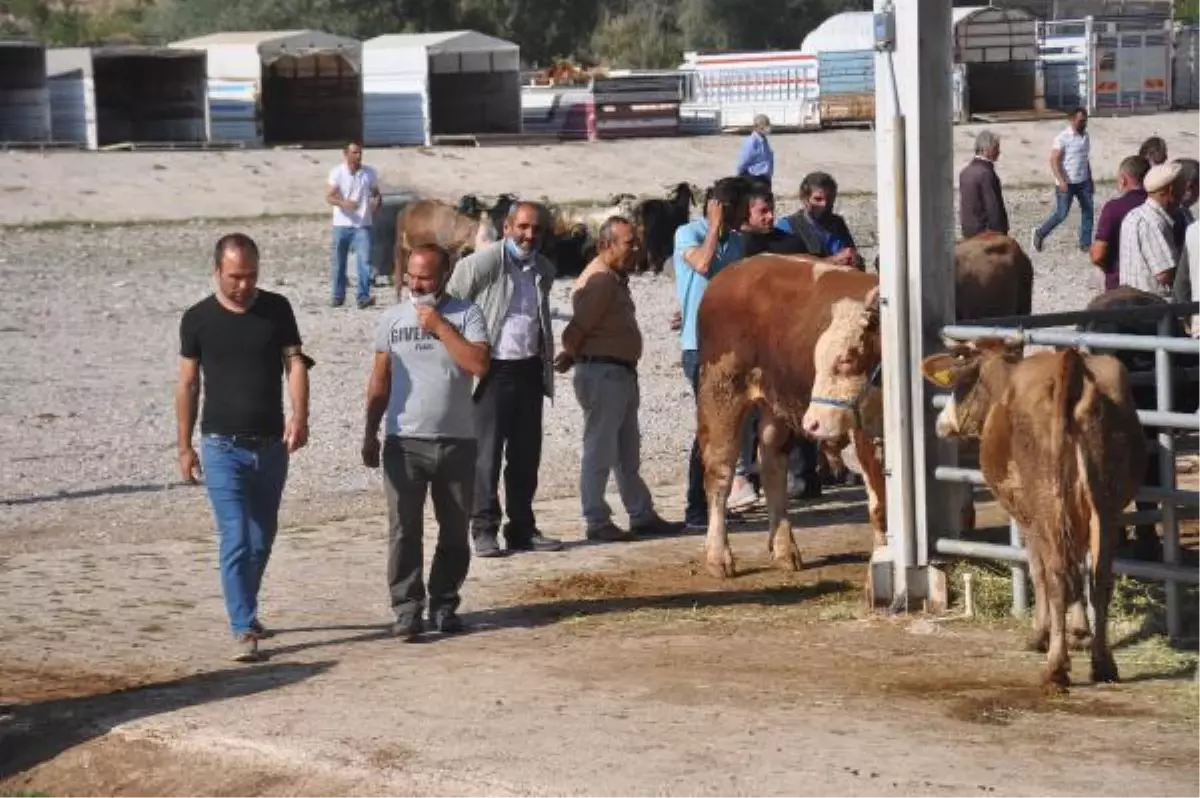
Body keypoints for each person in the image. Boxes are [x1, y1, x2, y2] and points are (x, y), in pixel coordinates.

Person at [176, 233, 313, 663]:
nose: (243, 284)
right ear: (217, 271)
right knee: (235, 535)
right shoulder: (197, 319)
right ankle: (243, 625)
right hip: (221, 445)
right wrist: (184, 445)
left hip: (271, 445)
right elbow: (188, 383)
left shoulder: (277, 310)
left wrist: (300, 416)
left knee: (261, 538)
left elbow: (295, 363)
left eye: (251, 275)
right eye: (235, 276)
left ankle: (246, 611)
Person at [362, 243, 491, 640]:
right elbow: (380, 381)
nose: (416, 285)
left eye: (426, 277)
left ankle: (445, 603)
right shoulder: (390, 319)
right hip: (405, 442)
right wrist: (370, 432)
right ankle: (406, 609)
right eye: (411, 276)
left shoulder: (467, 314)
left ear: (445, 276)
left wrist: (439, 327)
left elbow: (479, 365)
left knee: (454, 530)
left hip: (457, 441)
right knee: (404, 530)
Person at [446, 201, 563, 557]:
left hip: (529, 369)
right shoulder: (481, 264)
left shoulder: (543, 268)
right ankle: (483, 528)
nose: (530, 235)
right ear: (508, 227)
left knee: (526, 457)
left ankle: (522, 528)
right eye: (523, 227)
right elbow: (450, 307)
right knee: (486, 457)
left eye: (536, 229)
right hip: (491, 372)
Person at [555, 217, 682, 541]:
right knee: (600, 449)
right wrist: (572, 353)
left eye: (637, 242)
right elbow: (576, 330)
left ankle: (641, 514)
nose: (637, 249)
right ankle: (596, 520)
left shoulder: (612, 278)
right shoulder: (600, 281)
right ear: (605, 246)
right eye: (629, 243)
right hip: (604, 374)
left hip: (617, 372)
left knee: (626, 452)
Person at [675, 177, 747, 532]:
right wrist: (715, 225)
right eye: (742, 208)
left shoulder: (737, 242)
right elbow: (702, 265)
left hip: (730, 347)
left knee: (728, 426)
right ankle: (695, 507)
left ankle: (715, 499)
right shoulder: (687, 233)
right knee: (708, 426)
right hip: (698, 347)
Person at [326, 140, 382, 309]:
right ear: (346, 154)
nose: (358, 156)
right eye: (354, 153)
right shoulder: (337, 173)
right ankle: (337, 295)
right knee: (339, 262)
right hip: (341, 224)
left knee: (364, 262)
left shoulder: (369, 173)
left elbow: (376, 194)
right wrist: (344, 203)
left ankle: (363, 297)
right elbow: (329, 196)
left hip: (362, 225)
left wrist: (376, 205)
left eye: (359, 153)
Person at [1031, 107, 1093, 254]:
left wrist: (1090, 179)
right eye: (1080, 121)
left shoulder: (1086, 137)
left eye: (1085, 121)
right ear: (1072, 120)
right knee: (1061, 213)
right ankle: (1040, 233)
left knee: (1088, 211)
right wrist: (1061, 180)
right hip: (1067, 183)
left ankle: (1085, 243)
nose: (1083, 123)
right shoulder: (1062, 138)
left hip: (1083, 182)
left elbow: (1085, 160)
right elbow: (1054, 160)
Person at [1118, 161, 1182, 297]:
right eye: (1181, 187)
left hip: (1133, 300)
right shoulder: (1153, 222)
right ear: (1170, 190)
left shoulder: (1135, 214)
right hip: (1152, 306)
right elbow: (1164, 274)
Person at [776, 172, 863, 268]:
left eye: (829, 198)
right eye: (818, 199)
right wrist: (831, 261)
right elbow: (785, 268)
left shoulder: (837, 224)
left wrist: (855, 260)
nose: (824, 204)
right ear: (804, 199)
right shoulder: (788, 226)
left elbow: (856, 261)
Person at [1090, 155, 1150, 291]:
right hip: (1151, 284)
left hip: (1119, 283)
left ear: (1123, 180)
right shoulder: (1157, 205)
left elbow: (1098, 254)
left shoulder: (1114, 208)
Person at [959, 129, 1009, 239]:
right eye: (996, 148)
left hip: (968, 231)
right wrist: (1001, 233)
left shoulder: (965, 172)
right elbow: (993, 208)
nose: (999, 152)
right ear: (986, 149)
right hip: (985, 233)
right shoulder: (986, 174)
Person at [735, 115, 774, 186]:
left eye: (768, 124)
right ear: (757, 127)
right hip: (755, 179)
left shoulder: (763, 139)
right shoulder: (752, 142)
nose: (768, 128)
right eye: (765, 126)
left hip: (765, 178)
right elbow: (743, 161)